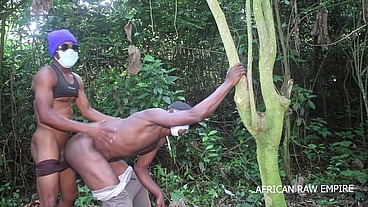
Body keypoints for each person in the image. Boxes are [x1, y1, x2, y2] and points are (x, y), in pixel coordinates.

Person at [64, 63, 246, 207]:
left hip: (106, 155)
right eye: (185, 123)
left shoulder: (158, 140)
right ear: (172, 112)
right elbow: (197, 114)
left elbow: (141, 168)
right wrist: (228, 82)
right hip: (83, 147)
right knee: (118, 197)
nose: (185, 130)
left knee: (134, 185)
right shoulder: (154, 115)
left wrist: (157, 192)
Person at [31, 29, 118, 207]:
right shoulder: (46, 74)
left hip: (65, 144)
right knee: (49, 200)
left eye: (74, 47)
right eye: (65, 46)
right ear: (55, 50)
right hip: (46, 141)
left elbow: (88, 111)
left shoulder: (76, 79)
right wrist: (87, 128)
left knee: (71, 196)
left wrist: (120, 122)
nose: (70, 50)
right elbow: (45, 115)